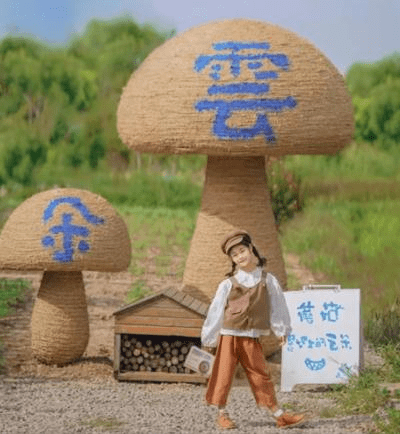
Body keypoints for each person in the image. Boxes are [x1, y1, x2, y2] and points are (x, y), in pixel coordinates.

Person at [201, 230, 305, 430]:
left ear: (251, 249)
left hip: (250, 337)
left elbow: (277, 306)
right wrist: (209, 338)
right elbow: (216, 312)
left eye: (242, 251)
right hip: (229, 335)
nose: (240, 256)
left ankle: (279, 415)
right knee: (223, 374)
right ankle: (221, 414)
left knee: (260, 375)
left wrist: (281, 330)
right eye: (234, 255)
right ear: (232, 260)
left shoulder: (268, 280)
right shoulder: (227, 284)